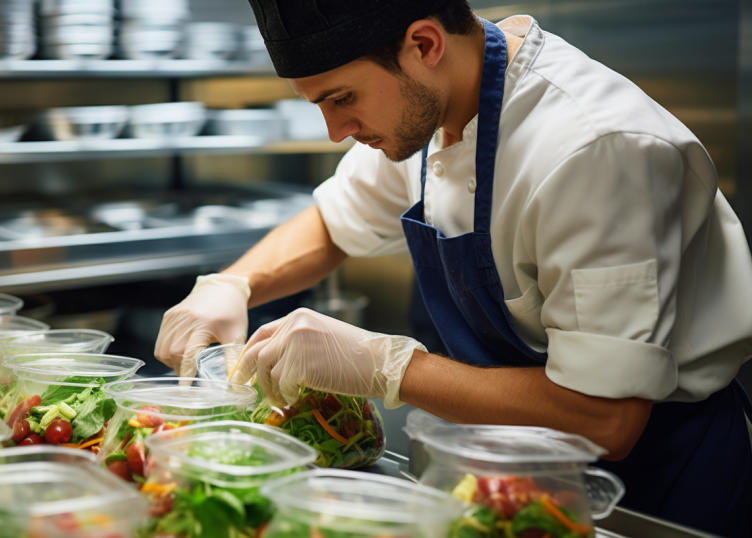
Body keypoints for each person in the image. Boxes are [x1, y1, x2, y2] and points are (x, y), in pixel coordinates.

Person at [154, 1, 752, 534]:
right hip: (501, 470)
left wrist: (384, 366)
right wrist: (234, 283)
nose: (335, 132)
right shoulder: (428, 111)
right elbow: (335, 222)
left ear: (424, 44)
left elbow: (605, 418)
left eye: (342, 99)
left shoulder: (596, 149)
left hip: (653, 488)